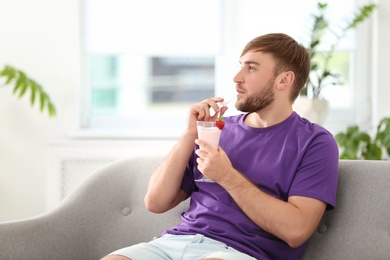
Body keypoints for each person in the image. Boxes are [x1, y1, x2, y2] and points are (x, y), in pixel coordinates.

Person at [102, 33, 339, 260]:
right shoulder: (217, 130)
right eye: (240, 65)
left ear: (284, 80)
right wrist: (189, 135)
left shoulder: (315, 142)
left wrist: (227, 176)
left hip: (242, 252)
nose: (237, 77)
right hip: (176, 242)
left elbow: (296, 231)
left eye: (251, 67)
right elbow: (155, 202)